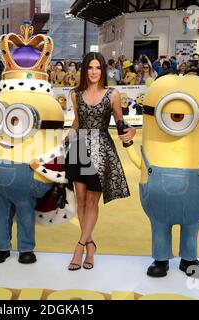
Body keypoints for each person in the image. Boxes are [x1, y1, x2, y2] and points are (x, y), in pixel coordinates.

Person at [65, 52, 135, 271]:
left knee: (93, 202)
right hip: (78, 148)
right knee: (81, 200)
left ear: (102, 70)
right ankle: (91, 245)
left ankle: (79, 246)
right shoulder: (75, 94)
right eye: (90, 68)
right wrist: (66, 137)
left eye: (98, 68)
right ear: (84, 70)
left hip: (101, 148)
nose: (94, 72)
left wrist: (130, 130)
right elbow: (77, 121)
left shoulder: (113, 94)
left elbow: (121, 121)